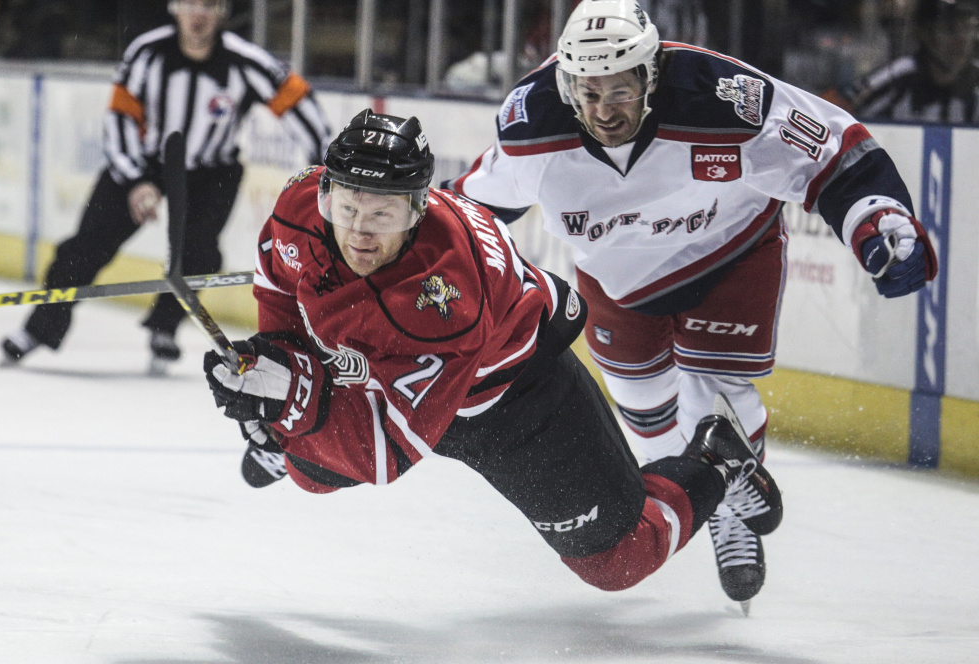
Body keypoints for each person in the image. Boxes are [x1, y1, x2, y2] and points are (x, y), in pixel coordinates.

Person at [447, 0, 938, 605]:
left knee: (715, 391)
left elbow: (832, 151)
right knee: (643, 411)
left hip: (728, 253)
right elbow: (473, 207)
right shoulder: (536, 118)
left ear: (651, 74)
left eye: (621, 90)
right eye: (589, 93)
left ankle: (731, 511)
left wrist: (876, 216)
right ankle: (713, 486)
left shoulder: (725, 96)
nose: (604, 112)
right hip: (618, 278)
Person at [201, 109, 783, 598]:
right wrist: (274, 359)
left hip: (513, 398)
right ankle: (293, 448)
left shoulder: (442, 299)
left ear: (418, 207)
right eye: (348, 208)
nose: (358, 233)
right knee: (310, 471)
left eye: (383, 215)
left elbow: (385, 454)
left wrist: (288, 405)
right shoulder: (301, 204)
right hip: (404, 371)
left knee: (617, 562)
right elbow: (278, 283)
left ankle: (716, 460)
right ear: (324, 190)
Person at [1, 0, 331, 372]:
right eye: (190, 2)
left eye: (208, 4)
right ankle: (40, 328)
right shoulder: (147, 52)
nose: (198, 13)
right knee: (84, 248)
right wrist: (136, 180)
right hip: (145, 166)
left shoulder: (246, 62)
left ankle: (164, 328)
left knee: (197, 256)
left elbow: (300, 106)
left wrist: (326, 170)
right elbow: (120, 120)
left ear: (222, 11)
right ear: (175, 6)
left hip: (212, 174)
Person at [839, 0, 979, 123]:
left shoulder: (974, 81)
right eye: (950, 29)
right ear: (924, 34)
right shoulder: (895, 77)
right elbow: (833, 114)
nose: (963, 41)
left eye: (969, 29)